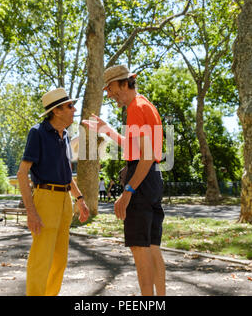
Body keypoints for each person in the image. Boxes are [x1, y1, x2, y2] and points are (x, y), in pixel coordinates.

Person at [82, 65, 166, 296]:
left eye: (110, 88)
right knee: (152, 247)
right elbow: (138, 149)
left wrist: (127, 191)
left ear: (124, 83)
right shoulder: (144, 104)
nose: (109, 94)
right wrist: (107, 130)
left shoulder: (135, 109)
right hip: (153, 179)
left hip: (141, 178)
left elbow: (145, 157)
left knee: (140, 251)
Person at [17, 87, 90, 296]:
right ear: (56, 111)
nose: (74, 109)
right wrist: (31, 212)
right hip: (45, 199)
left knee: (60, 261)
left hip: (65, 200)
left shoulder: (66, 134)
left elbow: (66, 173)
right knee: (41, 260)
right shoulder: (38, 133)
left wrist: (80, 199)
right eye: (70, 106)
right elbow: (22, 174)